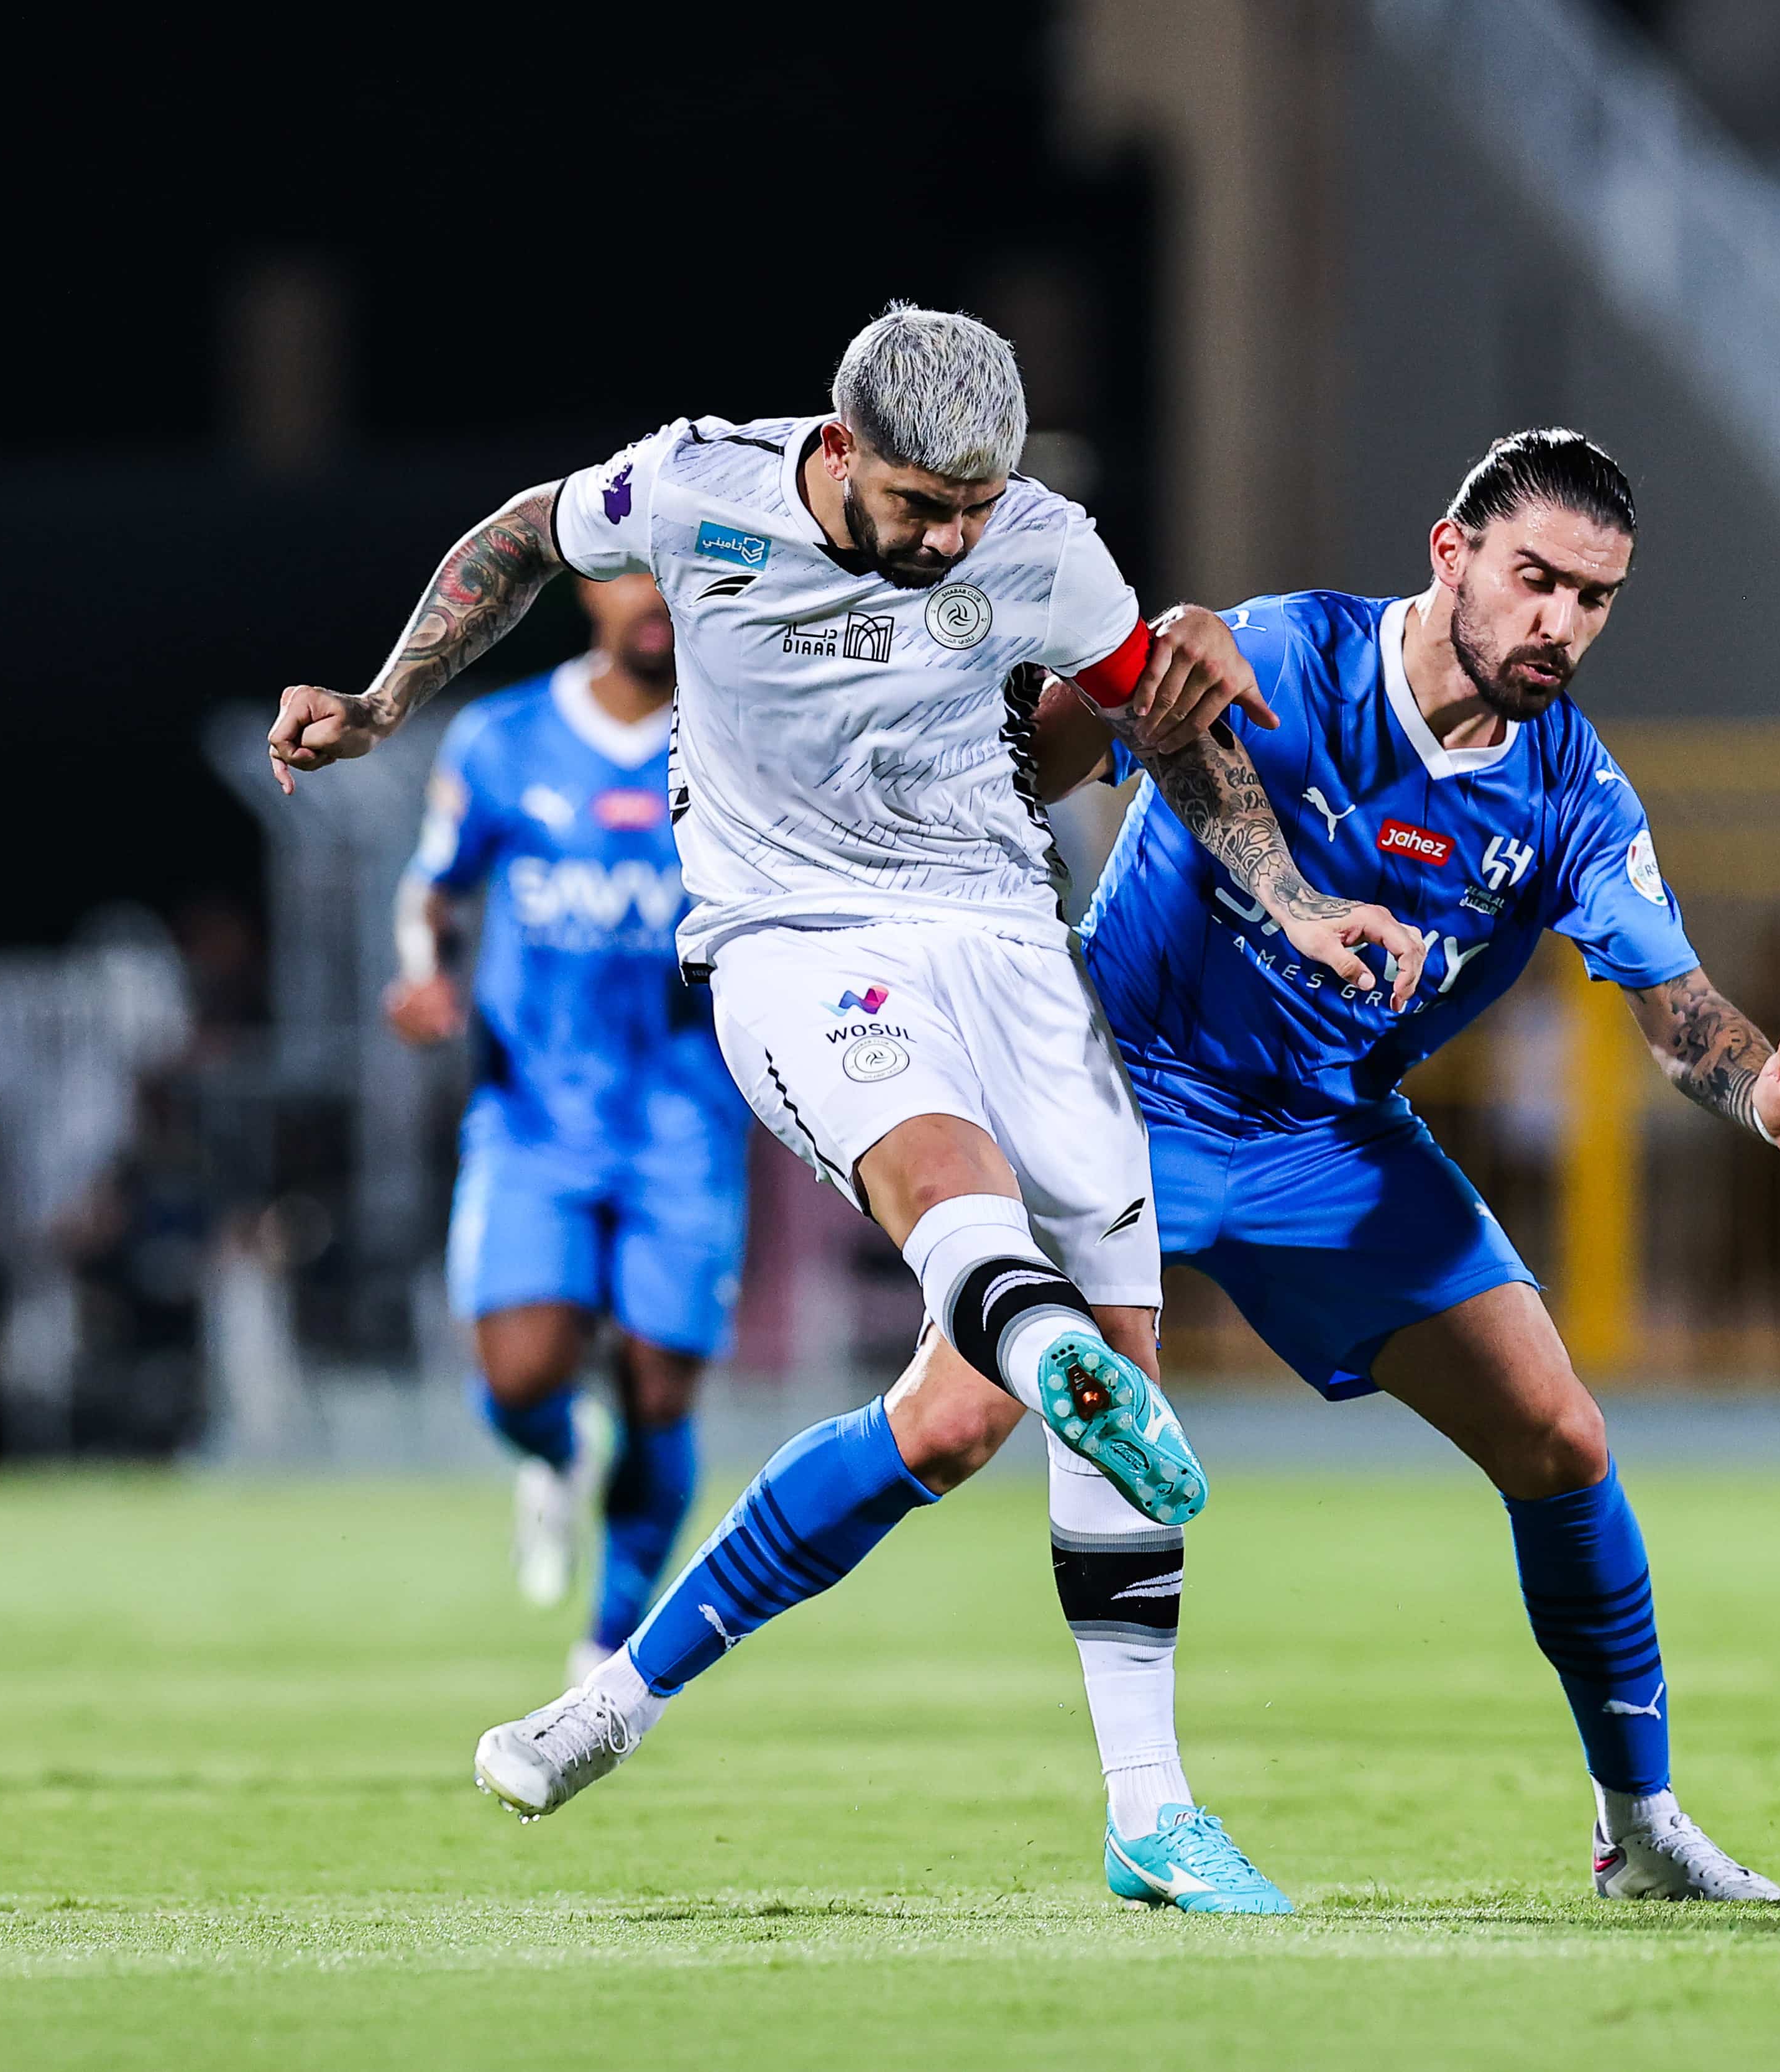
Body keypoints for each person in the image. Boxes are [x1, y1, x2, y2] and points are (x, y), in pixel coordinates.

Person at [264, 305, 1419, 1856]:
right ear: (842, 443)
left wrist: (1295, 899)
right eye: (921, 503)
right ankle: (1043, 1381)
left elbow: (1166, 719)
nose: (952, 538)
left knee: (989, 1415)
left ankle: (1089, 1795)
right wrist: (388, 700)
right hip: (791, 935)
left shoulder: (1044, 543)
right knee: (950, 1182)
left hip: (1005, 930)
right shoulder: (695, 490)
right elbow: (524, 534)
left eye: (975, 507)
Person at [891, 429, 1780, 1910]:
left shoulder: (1572, 795)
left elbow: (1679, 1016)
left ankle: (1642, 1823)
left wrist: (1769, 1094)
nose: (1561, 623)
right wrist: (1002, 745)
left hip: (1323, 1140)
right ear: (1451, 555)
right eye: (1535, 580)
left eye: (1595, 598)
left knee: (1557, 1436)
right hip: (1122, 1095)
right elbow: (1056, 741)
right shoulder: (1286, 653)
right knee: (949, 1427)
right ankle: (626, 1687)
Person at [383, 571, 751, 1680]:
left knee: (661, 1390)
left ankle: (608, 1645)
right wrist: (422, 974)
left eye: (677, 580)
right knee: (519, 1379)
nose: (655, 600)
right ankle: (552, 1452)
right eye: (633, 574)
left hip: (685, 1120)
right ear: (590, 589)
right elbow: (429, 888)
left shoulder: (740, 745)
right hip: (533, 1116)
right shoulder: (502, 739)